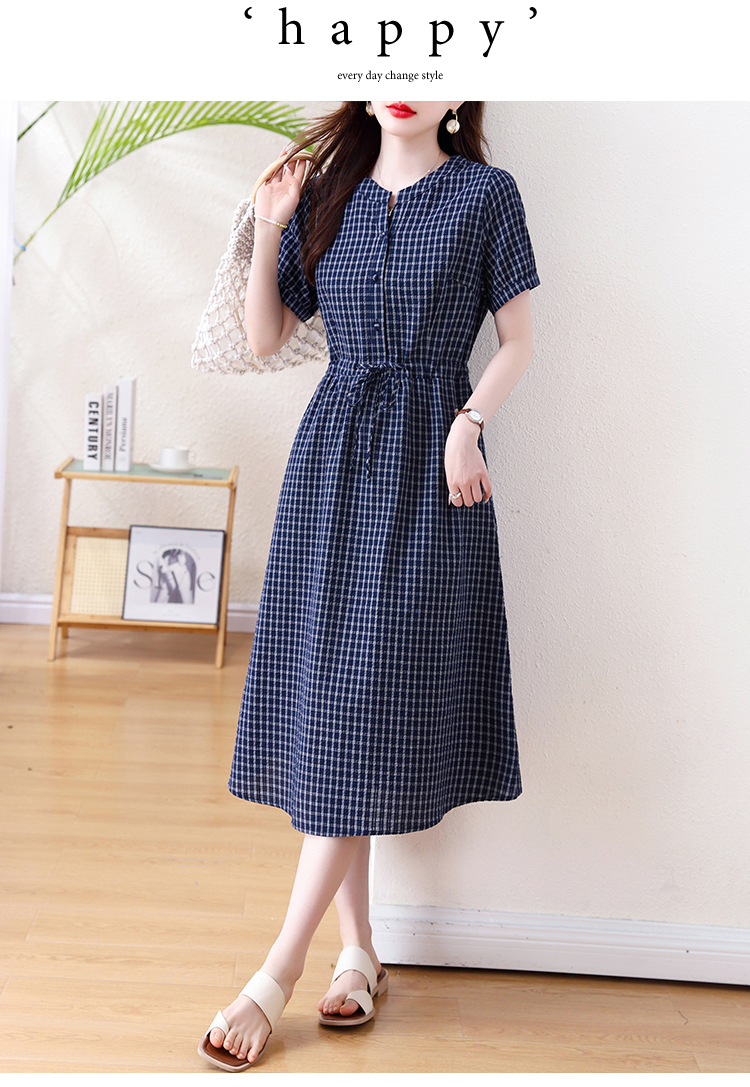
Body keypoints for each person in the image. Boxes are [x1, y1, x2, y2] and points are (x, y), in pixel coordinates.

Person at [198, 100, 539, 1071]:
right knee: (336, 717)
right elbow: (266, 336)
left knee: (366, 709)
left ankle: (277, 969)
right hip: (330, 468)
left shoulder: (486, 195)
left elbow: (519, 340)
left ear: (459, 91)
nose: (403, 82)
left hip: (431, 474)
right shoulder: (330, 192)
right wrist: (272, 223)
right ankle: (359, 951)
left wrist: (468, 424)